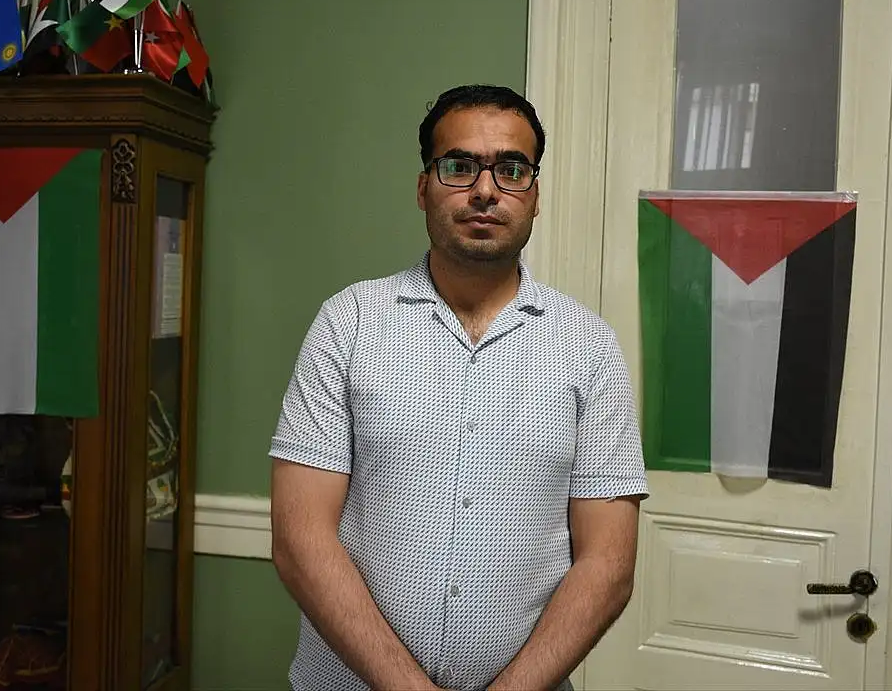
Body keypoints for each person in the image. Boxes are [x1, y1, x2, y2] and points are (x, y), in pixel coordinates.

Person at [268, 84, 648, 691]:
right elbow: (300, 538)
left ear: (535, 196)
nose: (486, 190)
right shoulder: (350, 322)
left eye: (511, 169)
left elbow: (608, 564)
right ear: (424, 188)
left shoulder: (590, 347)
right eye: (459, 165)